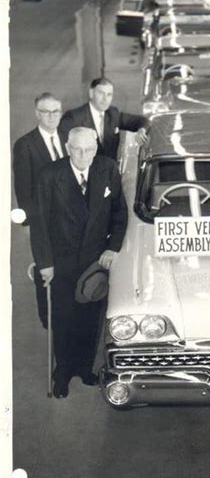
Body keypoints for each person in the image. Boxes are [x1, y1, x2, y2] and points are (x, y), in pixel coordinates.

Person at [31, 127, 128, 398]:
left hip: (94, 263)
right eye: (76, 149)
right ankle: (62, 372)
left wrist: (112, 247)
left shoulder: (107, 169)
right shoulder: (50, 176)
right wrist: (45, 263)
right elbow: (39, 225)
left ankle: (84, 368)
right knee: (63, 318)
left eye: (88, 149)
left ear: (96, 149)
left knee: (89, 319)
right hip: (61, 263)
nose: (83, 155)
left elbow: (119, 213)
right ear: (67, 147)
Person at [13, 92, 67, 329]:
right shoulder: (25, 145)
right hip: (44, 223)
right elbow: (24, 193)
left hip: (71, 221)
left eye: (56, 111)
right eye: (46, 111)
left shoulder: (68, 137)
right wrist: (38, 228)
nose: (51, 116)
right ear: (37, 114)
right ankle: (49, 321)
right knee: (46, 273)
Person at [58, 77, 149, 161]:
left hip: (109, 174)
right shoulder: (73, 117)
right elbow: (63, 149)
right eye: (101, 93)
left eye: (109, 94)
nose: (105, 99)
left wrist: (141, 130)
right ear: (91, 93)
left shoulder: (113, 114)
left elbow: (141, 120)